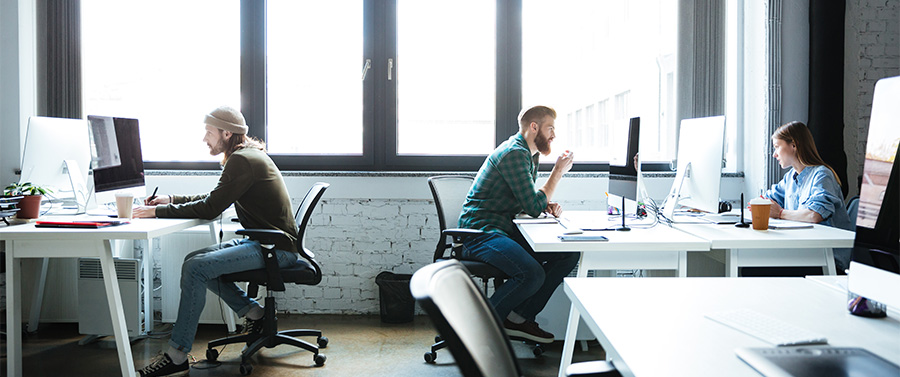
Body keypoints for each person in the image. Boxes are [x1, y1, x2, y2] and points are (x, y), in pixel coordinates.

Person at [132, 106, 301, 377]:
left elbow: (211, 208)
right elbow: (216, 197)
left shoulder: (242, 160)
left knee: (196, 268)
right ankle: (256, 315)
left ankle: (176, 356)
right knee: (194, 262)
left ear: (226, 133)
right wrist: (172, 199)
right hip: (268, 242)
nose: (204, 139)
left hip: (275, 248)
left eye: (209, 132)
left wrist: (155, 211)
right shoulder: (247, 156)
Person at [457, 105, 580, 344]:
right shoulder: (514, 153)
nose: (554, 135)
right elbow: (532, 207)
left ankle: (517, 317)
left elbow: (528, 202)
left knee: (567, 253)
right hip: (479, 233)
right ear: (534, 127)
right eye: (550, 128)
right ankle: (478, 330)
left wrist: (544, 203)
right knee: (531, 273)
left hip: (500, 229)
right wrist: (557, 173)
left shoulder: (528, 154)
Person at [757, 120, 854, 271]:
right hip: (803, 251)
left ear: (794, 145)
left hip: (826, 259)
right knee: (755, 263)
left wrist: (780, 213)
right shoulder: (791, 177)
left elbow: (813, 215)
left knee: (755, 268)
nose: (774, 154)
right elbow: (766, 201)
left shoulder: (822, 176)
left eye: (777, 147)